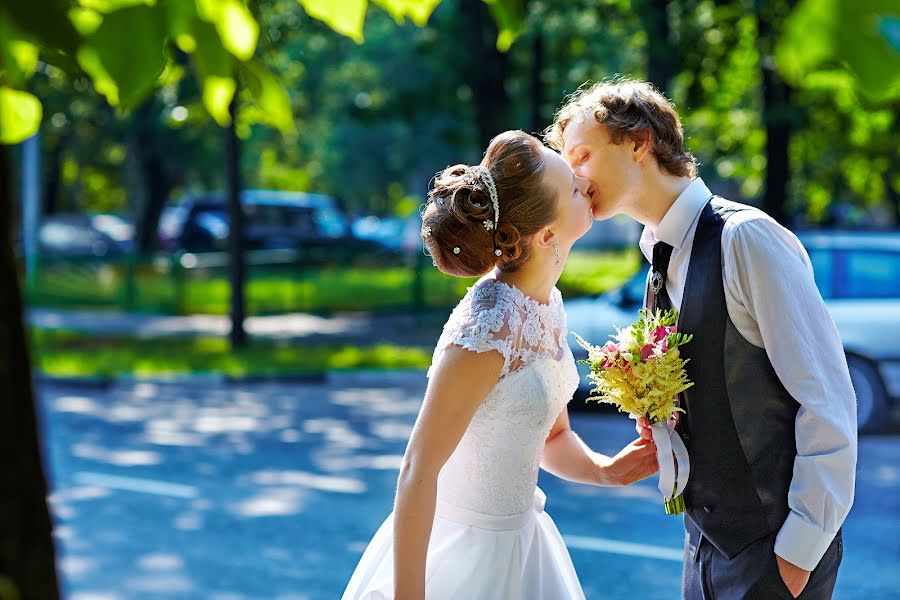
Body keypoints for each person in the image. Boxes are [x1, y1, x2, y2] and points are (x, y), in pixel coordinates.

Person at [545, 79, 857, 599]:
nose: (572, 176)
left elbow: (827, 401)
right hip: (704, 548)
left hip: (774, 552)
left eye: (581, 155)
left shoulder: (746, 238)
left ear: (638, 142)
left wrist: (797, 554)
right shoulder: (658, 260)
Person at [342, 130, 658, 600]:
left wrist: (605, 470)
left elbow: (552, 436)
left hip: (525, 549)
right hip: (460, 559)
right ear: (547, 234)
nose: (584, 184)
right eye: (572, 187)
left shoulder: (548, 305)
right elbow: (417, 469)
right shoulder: (487, 324)